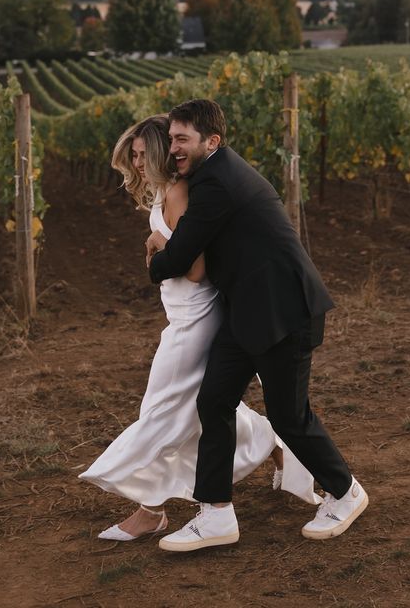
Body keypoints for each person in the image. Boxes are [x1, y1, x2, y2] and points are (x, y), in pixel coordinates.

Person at [79, 114, 317, 542]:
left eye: (142, 154)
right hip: (182, 316)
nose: (136, 163)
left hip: (195, 319)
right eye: (131, 156)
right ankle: (270, 442)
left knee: (162, 408)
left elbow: (194, 270)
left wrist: (156, 249)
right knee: (197, 406)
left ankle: (149, 510)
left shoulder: (178, 192)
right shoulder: (164, 191)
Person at [146, 99, 367, 552]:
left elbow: (181, 256)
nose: (174, 149)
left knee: (288, 414)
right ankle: (216, 515)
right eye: (171, 139)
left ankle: (346, 493)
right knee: (214, 401)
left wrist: (153, 254)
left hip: (284, 312)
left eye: (182, 139)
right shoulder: (212, 175)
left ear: (212, 141)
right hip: (247, 311)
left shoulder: (217, 184)